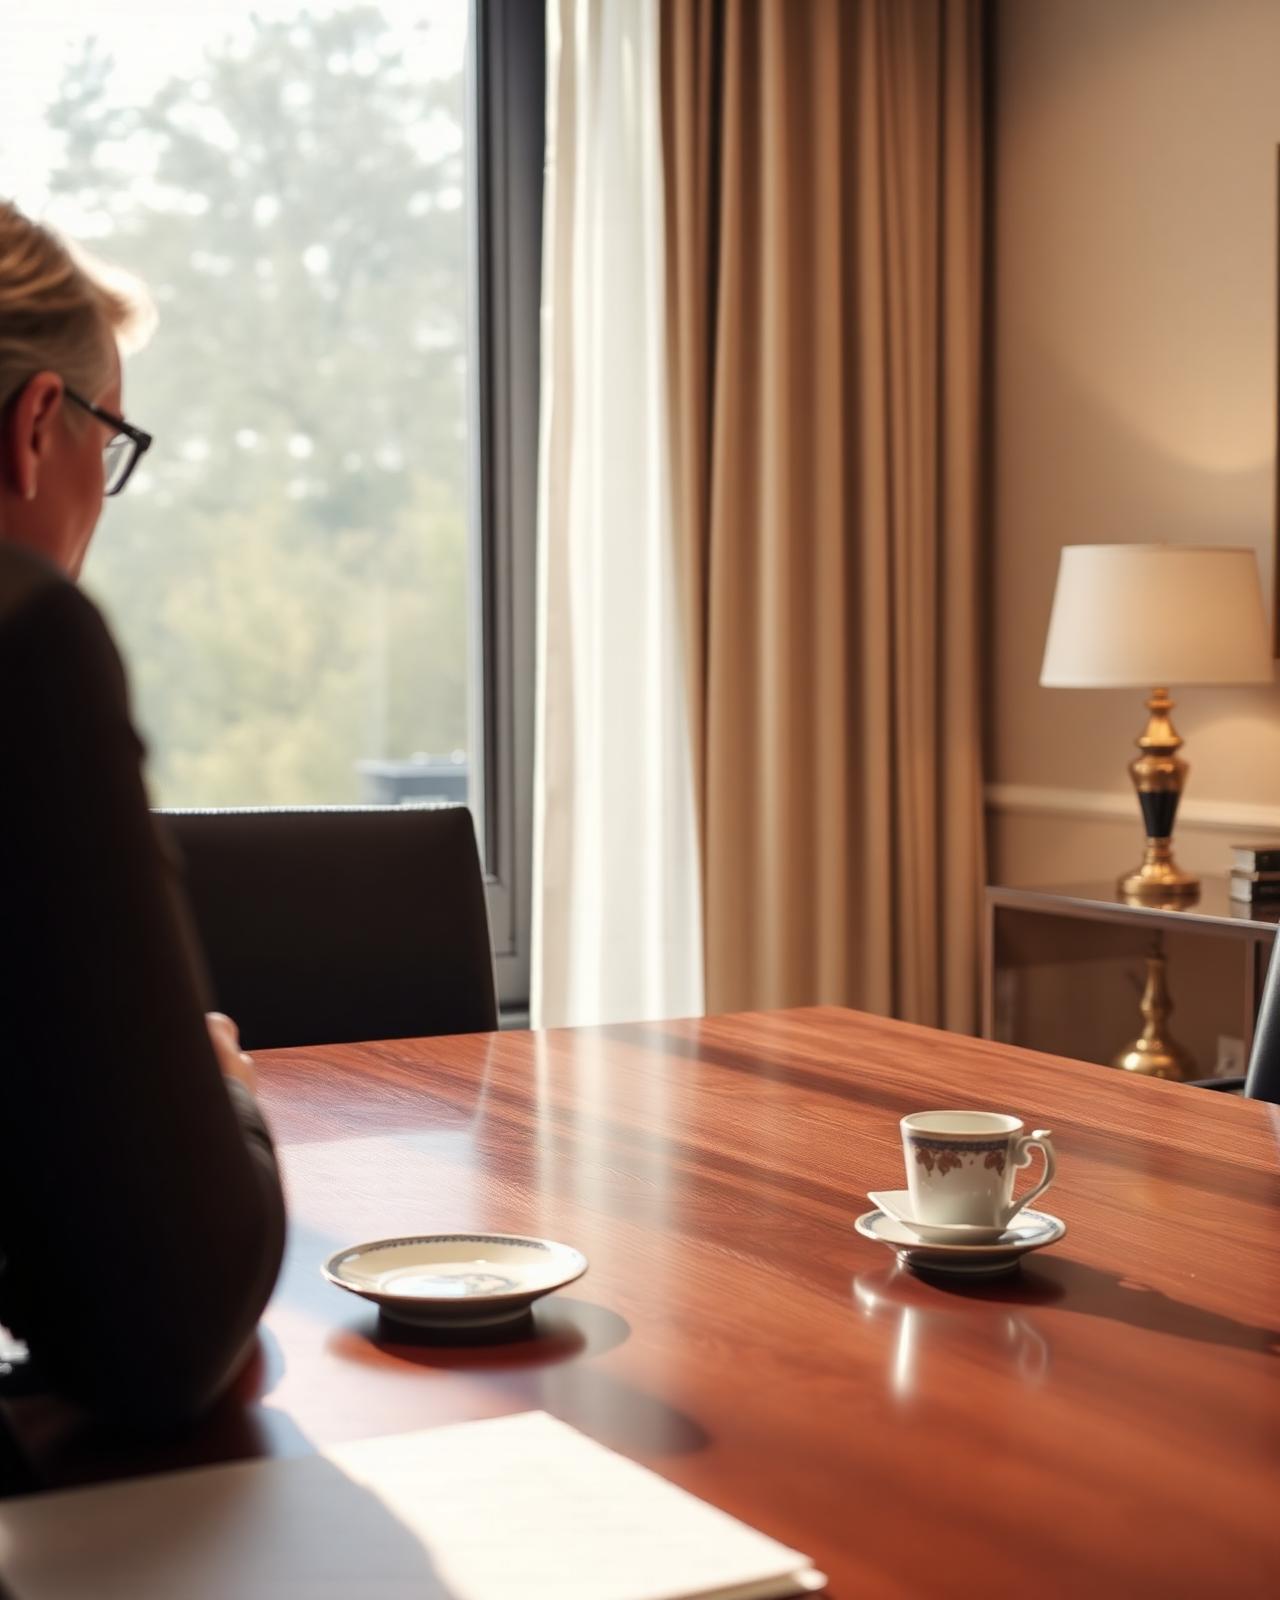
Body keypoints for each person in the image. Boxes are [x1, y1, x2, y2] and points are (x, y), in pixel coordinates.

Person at [0, 200, 286, 1472]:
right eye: (108, 439)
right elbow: (168, 1325)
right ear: (35, 426)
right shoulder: (24, 641)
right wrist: (219, 1086)